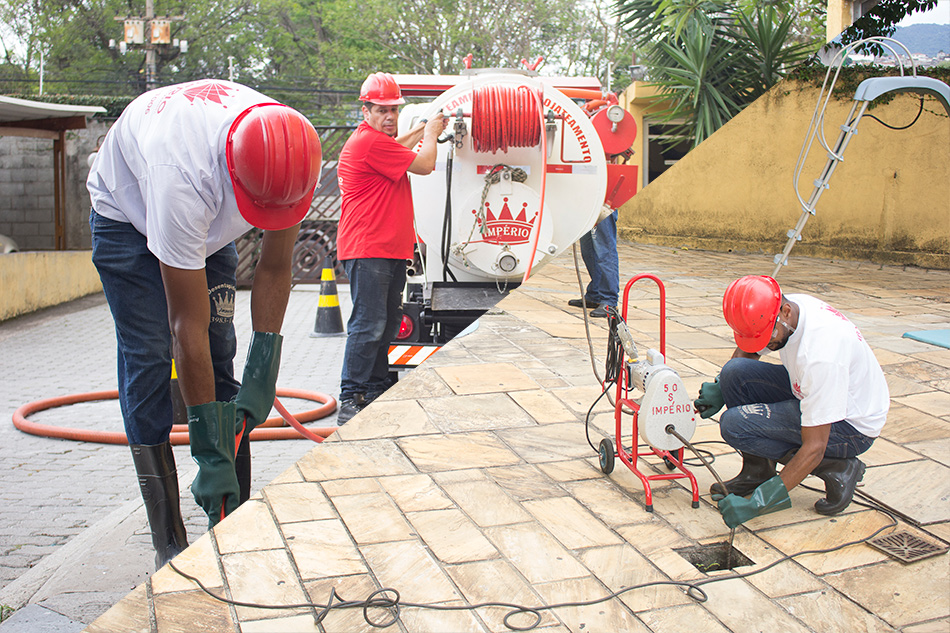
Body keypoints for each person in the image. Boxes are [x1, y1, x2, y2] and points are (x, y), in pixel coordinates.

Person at [87, 79, 322, 568]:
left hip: (203, 226)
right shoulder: (182, 177)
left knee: (221, 356)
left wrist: (263, 371)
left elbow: (276, 268)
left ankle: (232, 520)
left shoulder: (292, 151)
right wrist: (207, 455)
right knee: (150, 355)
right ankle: (168, 536)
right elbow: (183, 329)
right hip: (126, 217)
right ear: (233, 172)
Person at [694, 275, 888, 529]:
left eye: (766, 337)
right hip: (817, 390)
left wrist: (759, 504)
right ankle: (758, 472)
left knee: (736, 424)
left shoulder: (821, 356)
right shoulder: (788, 310)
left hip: (850, 426)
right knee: (735, 373)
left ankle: (839, 467)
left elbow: (815, 446)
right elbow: (749, 350)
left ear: (784, 312)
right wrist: (721, 386)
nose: (763, 345)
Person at [335, 72, 444, 423]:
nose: (390, 117)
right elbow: (425, 164)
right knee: (368, 324)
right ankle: (351, 395)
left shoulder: (378, 141)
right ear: (365, 111)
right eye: (382, 110)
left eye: (394, 110)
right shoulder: (368, 142)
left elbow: (401, 142)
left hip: (388, 248)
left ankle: (377, 385)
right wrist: (430, 135)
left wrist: (422, 128)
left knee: (386, 322)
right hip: (369, 248)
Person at [568, 207, 619, 318]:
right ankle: (595, 294)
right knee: (588, 251)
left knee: (605, 251)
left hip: (604, 204)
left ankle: (609, 301)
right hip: (588, 204)